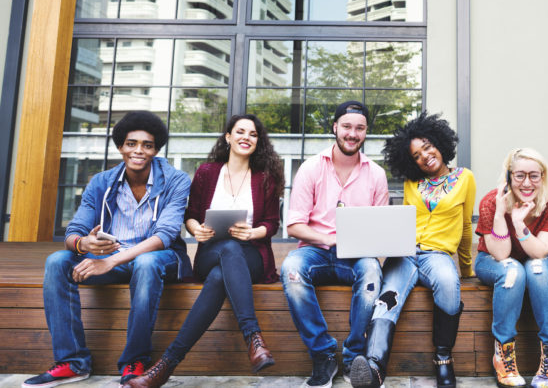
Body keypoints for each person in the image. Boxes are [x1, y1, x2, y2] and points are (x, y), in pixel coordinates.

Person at [23, 111, 192, 388]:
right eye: (131, 143)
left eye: (147, 145)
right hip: (111, 257)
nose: (138, 151)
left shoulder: (176, 180)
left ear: (156, 150)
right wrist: (83, 244)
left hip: (160, 258)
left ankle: (135, 362)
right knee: (57, 261)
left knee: (146, 263)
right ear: (120, 146)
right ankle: (72, 362)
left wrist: (110, 262)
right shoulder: (101, 182)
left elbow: (165, 235)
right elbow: (74, 230)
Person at [122, 114, 285, 387]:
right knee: (226, 250)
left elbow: (272, 223)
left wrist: (252, 232)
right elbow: (191, 214)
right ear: (228, 137)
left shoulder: (264, 177)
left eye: (253, 134)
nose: (246, 137)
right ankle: (253, 337)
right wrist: (196, 229)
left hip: (251, 255)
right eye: (240, 131)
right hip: (210, 252)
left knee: (221, 274)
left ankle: (165, 365)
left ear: (258, 141)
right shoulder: (207, 172)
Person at [350, 112, 475, 388]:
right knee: (387, 298)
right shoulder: (412, 183)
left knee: (448, 282)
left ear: (439, 143)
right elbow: (404, 222)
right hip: (404, 253)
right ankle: (374, 367)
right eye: (416, 155)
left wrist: (466, 268)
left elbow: (466, 226)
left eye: (427, 147)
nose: (425, 156)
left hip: (438, 255)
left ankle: (443, 358)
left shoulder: (465, 178)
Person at [281, 101, 388, 388]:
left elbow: (381, 229)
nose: (352, 134)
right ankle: (323, 355)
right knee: (291, 268)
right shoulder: (311, 168)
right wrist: (328, 238)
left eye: (360, 128)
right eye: (347, 127)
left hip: (356, 255)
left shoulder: (376, 174)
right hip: (315, 251)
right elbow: (294, 226)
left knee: (371, 272)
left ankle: (354, 356)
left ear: (366, 131)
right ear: (335, 127)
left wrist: (372, 244)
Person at [474, 148, 548, 388]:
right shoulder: (490, 202)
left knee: (537, 269)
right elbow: (501, 254)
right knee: (512, 270)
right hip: (492, 260)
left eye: (534, 176)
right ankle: (503, 354)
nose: (526, 183)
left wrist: (518, 223)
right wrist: (501, 213)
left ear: (543, 177)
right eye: (519, 175)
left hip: (536, 257)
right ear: (509, 176)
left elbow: (539, 251)